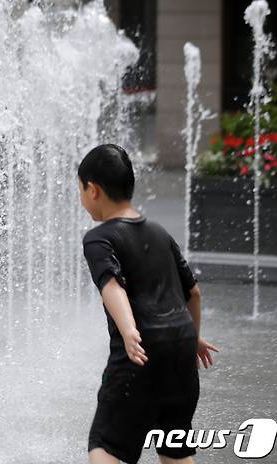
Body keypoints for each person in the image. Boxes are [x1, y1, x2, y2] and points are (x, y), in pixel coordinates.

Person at [78, 144, 219, 464]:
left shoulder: (99, 237)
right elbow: (193, 293)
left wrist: (129, 331)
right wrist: (193, 338)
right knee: (175, 448)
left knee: (105, 446)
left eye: (81, 190)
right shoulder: (159, 232)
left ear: (93, 189)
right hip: (181, 354)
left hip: (139, 353)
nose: (82, 198)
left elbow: (111, 286)